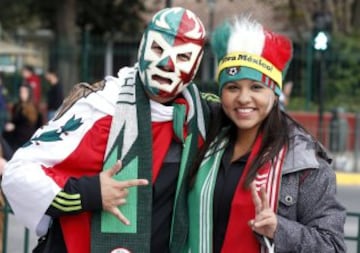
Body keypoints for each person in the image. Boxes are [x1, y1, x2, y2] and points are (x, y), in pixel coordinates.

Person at [2, 7, 213, 253]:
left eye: (183, 57)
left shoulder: (203, 119)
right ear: (143, 46)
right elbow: (19, 174)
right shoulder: (100, 107)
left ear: (197, 64)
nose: (167, 64)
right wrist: (90, 193)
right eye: (158, 49)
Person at [185, 16, 346, 253]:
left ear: (275, 93)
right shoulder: (203, 142)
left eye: (256, 87)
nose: (243, 98)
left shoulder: (304, 161)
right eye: (232, 87)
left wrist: (279, 229)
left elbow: (333, 246)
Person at [3, 84, 42, 151]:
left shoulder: (35, 107)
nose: (22, 94)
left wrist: (14, 127)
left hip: (28, 138)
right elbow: (14, 121)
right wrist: (10, 125)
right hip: (16, 136)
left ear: (29, 93)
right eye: (20, 92)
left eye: (24, 92)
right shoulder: (17, 106)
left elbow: (36, 125)